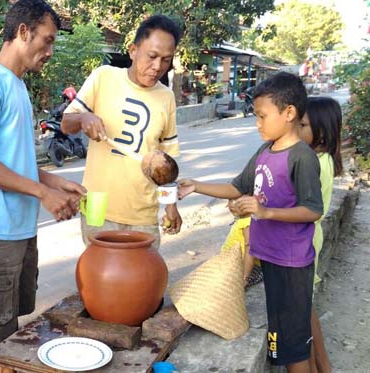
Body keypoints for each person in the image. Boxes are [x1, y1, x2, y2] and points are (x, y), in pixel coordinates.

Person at [0, 1, 86, 372]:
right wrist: (44, 193)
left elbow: (18, 163)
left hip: (18, 228)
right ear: (23, 32)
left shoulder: (17, 87)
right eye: (46, 41)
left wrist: (56, 182)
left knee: (8, 324)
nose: (49, 51)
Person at [179, 72, 323, 372]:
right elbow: (237, 187)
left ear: (289, 113)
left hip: (291, 264)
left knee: (293, 347)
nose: (257, 123)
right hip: (270, 258)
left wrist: (266, 212)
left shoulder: (301, 157)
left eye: (262, 116)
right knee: (282, 339)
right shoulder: (265, 151)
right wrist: (197, 186)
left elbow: (312, 209)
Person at [61, 15, 183, 246]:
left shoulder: (166, 97)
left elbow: (166, 166)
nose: (157, 67)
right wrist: (84, 117)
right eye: (152, 56)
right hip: (97, 206)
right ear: (133, 50)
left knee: (142, 279)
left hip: (143, 213)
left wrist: (171, 206)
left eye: (166, 60)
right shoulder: (104, 77)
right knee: (98, 276)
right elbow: (66, 125)